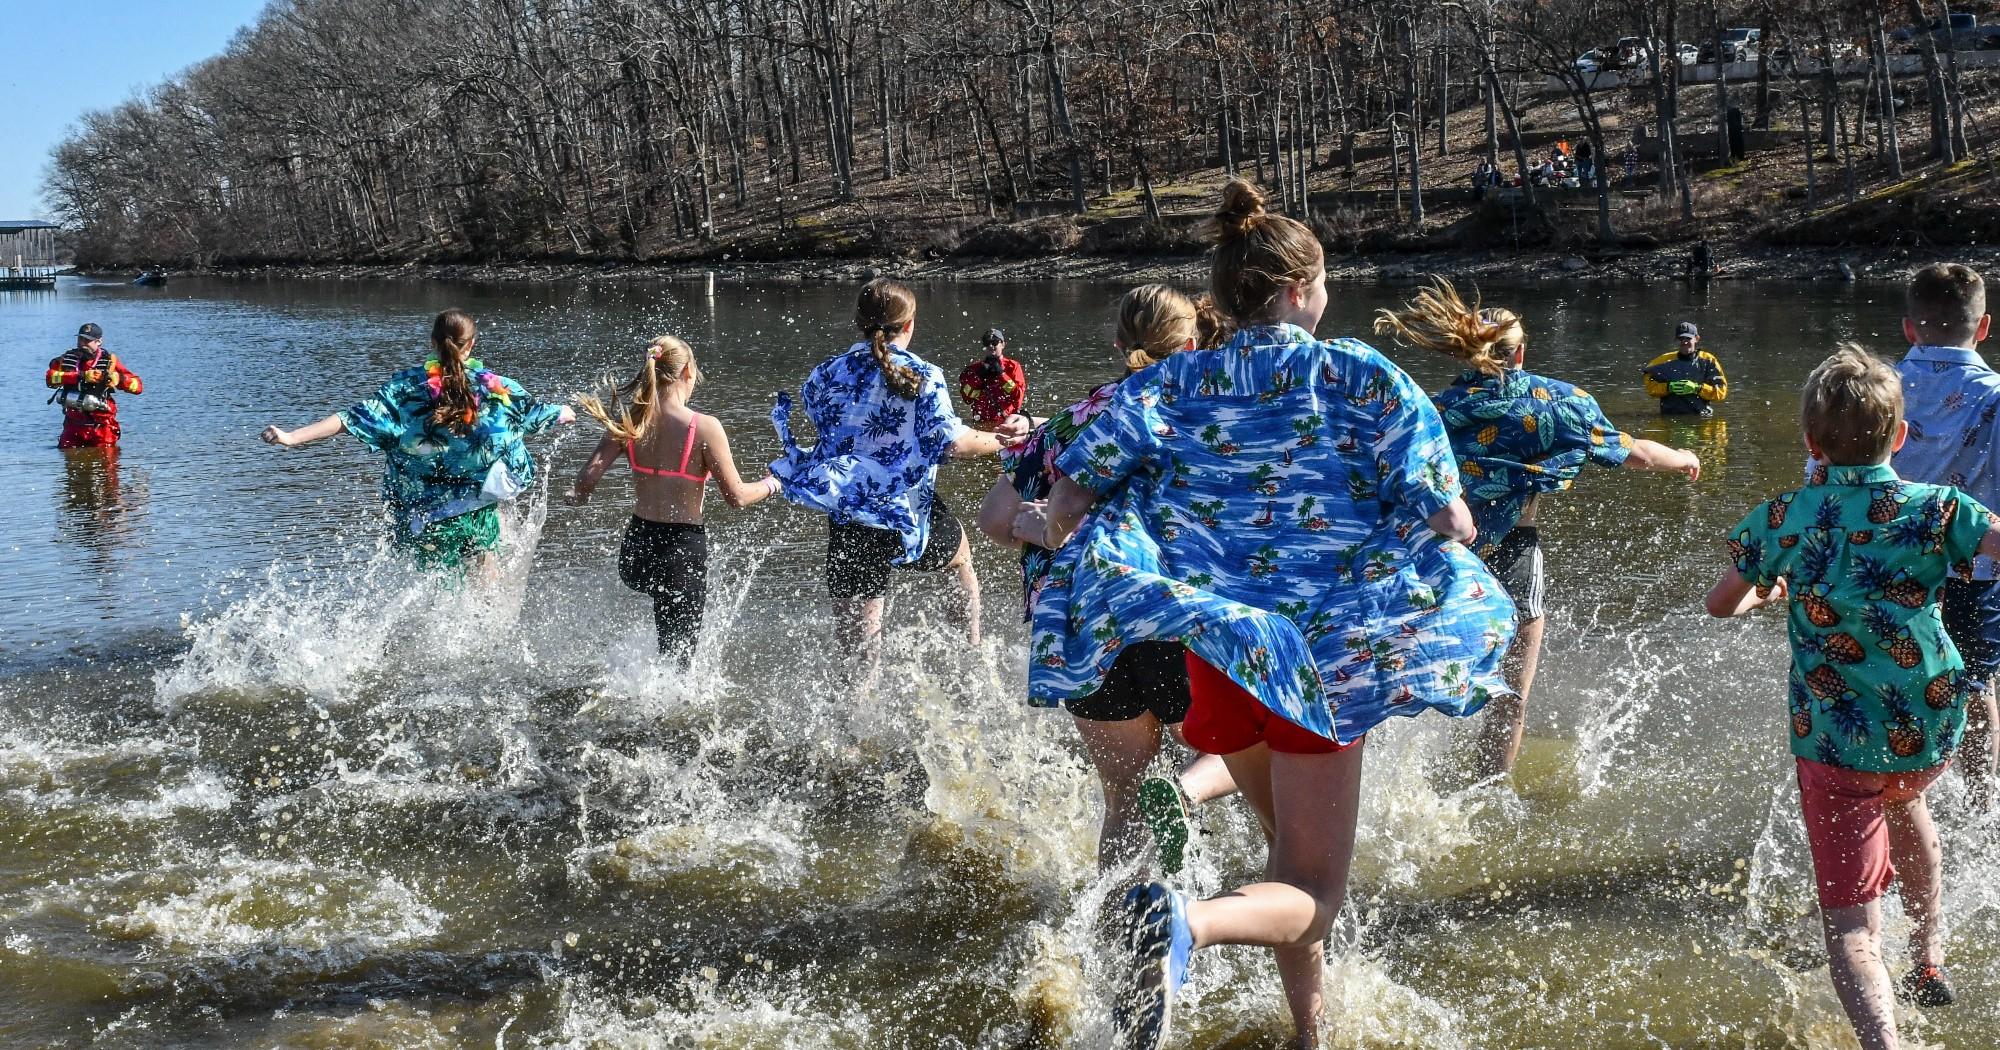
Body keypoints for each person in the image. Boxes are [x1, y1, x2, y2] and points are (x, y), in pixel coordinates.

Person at [1011, 180, 1515, 1050]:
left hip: (1221, 659)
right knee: (1314, 892)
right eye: (1321, 283)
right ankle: (1184, 926)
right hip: (1323, 671)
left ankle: (1309, 1033)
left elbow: (1061, 507)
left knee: (1288, 863)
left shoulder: (1170, 383)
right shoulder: (1359, 373)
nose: (1327, 297)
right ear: (1295, 291)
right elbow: (1451, 516)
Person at [1707, 345, 2000, 1049]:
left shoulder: (1782, 516)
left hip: (1836, 739)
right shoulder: (1939, 507)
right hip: (1928, 722)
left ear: (1810, 441)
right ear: (1901, 437)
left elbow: (1721, 604)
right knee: (1908, 799)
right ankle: (1929, 959)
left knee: (1851, 931)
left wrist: (1771, 590)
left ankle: (1884, 1042)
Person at [1376, 280, 1703, 779]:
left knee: (1422, 675)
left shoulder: (1433, 411)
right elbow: (1632, 452)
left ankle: (1403, 780)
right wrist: (1683, 458)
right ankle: (1488, 791)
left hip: (1438, 555)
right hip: (1513, 553)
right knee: (1511, 695)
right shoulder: (1556, 403)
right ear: (1522, 352)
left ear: (1466, 353)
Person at [977, 285, 1237, 876]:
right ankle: (1189, 910)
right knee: (1237, 755)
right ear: (1193, 343)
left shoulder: (1068, 423)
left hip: (1080, 626)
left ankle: (1118, 945)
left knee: (1121, 798)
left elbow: (994, 520)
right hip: (1172, 617)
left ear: (1118, 342)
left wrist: (1041, 525)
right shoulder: (1213, 419)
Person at [770, 277, 1024, 681]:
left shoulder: (823, 374)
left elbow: (827, 432)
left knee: (857, 646)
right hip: (907, 514)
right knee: (960, 558)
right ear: (908, 325)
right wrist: (1004, 438)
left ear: (858, 322)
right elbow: (952, 444)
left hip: (847, 516)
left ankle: (855, 727)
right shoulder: (923, 372)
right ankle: (969, 665)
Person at [259, 309, 574, 574]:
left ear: (433, 343)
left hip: (423, 514)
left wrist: (292, 437)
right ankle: (486, 637)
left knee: (439, 587)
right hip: (476, 505)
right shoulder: (497, 389)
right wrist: (566, 411)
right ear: (473, 344)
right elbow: (536, 414)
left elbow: (351, 419)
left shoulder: (405, 389)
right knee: (483, 564)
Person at [566, 336, 783, 666]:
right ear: (688, 372)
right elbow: (736, 497)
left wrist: (577, 497)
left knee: (664, 616)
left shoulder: (631, 420)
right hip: (680, 550)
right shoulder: (704, 427)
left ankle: (639, 682)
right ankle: (662, 709)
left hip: (636, 550)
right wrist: (774, 483)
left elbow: (587, 478)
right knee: (680, 659)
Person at [1880, 263, 2000, 807]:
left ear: (1909, 327)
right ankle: (1981, 805)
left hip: (1886, 568)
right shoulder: (1995, 396)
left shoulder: (1876, 390)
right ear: (1983, 328)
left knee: (1895, 684)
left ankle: (1898, 797)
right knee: (1976, 685)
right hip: (1974, 568)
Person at [45, 323, 142, 449]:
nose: (82, 343)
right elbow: (50, 379)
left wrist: (119, 379)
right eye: (80, 339)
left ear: (99, 342)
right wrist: (80, 376)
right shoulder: (66, 359)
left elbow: (138, 387)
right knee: (68, 456)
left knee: (107, 463)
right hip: (73, 425)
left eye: (87, 340)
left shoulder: (110, 361)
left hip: (102, 426)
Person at [1643, 321, 1728, 416]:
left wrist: (1697, 388)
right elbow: (1650, 388)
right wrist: (1668, 387)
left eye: (1688, 338)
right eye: (1681, 338)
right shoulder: (1662, 361)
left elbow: (1721, 392)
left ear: (1697, 338)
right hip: (1669, 417)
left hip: (1702, 418)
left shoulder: (1708, 360)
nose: (1684, 342)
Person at [958, 328, 1028, 430]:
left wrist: (1001, 375)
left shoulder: (1013, 367)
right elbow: (967, 399)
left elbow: (1018, 399)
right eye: (987, 343)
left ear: (1003, 344)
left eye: (995, 342)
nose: (991, 346)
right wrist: (978, 379)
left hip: (1006, 424)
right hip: (980, 423)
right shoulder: (973, 370)